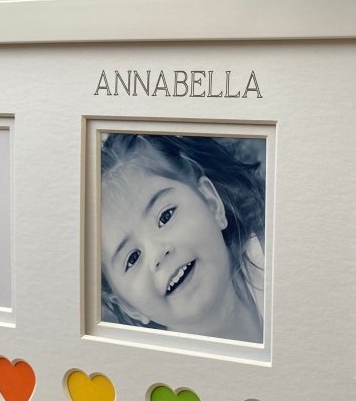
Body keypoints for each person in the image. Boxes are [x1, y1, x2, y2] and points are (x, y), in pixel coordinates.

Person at [100, 133, 264, 343]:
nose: (158, 252)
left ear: (211, 203)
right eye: (132, 258)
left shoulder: (278, 265)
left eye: (165, 216)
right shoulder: (162, 373)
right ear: (129, 306)